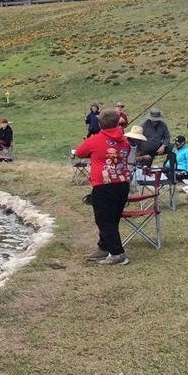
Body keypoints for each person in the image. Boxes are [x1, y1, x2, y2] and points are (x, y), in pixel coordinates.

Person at [74, 110, 132, 265]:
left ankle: (117, 253)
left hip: (104, 185)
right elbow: (125, 152)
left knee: (104, 220)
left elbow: (79, 152)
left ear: (100, 124)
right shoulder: (124, 140)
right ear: (117, 123)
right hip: (122, 183)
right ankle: (104, 247)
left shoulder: (96, 139)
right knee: (113, 218)